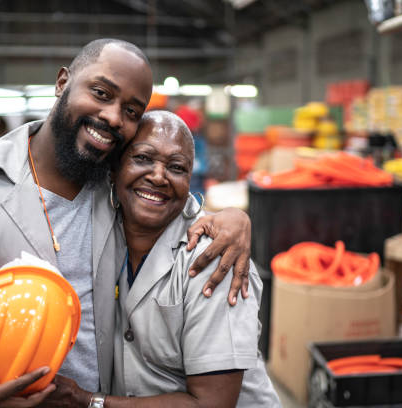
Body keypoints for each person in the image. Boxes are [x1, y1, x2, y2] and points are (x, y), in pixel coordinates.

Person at [0, 39, 253, 408]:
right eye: (102, 93)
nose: (113, 116)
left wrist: (235, 219)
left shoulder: (118, 185)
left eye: (132, 111)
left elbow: (175, 204)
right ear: (62, 82)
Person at [45, 111, 280, 407]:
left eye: (176, 167)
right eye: (143, 158)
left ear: (189, 179)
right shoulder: (101, 236)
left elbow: (211, 404)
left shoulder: (212, 257)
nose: (158, 176)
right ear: (114, 170)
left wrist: (88, 401)